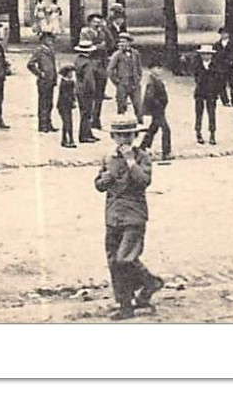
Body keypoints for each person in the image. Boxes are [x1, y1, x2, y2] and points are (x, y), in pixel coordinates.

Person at [93, 113, 165, 320]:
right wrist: (103, 180)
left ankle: (149, 282)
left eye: (128, 135)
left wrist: (131, 161)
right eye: (119, 136)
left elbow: (144, 181)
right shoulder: (108, 158)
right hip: (113, 215)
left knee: (126, 259)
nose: (124, 140)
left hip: (134, 215)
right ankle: (125, 304)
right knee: (114, 261)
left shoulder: (142, 156)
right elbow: (98, 184)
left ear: (134, 136)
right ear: (113, 137)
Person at [192, 43, 227, 145]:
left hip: (211, 93)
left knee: (211, 114)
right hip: (200, 93)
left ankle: (212, 134)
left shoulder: (216, 66)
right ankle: (198, 132)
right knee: (199, 113)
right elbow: (197, 78)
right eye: (203, 54)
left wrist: (224, 98)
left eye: (208, 54)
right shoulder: (197, 66)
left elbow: (220, 82)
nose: (206, 56)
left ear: (211, 55)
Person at [137, 64, 172, 161]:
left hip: (158, 108)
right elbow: (150, 96)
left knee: (153, 128)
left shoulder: (155, 79)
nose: (160, 70)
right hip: (157, 109)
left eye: (160, 68)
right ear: (152, 69)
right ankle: (166, 152)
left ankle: (143, 147)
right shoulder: (152, 81)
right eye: (158, 68)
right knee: (166, 130)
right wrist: (159, 104)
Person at [27, 31, 59, 133]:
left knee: (49, 103)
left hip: (51, 80)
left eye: (52, 40)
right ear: (43, 40)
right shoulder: (39, 51)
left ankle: (49, 123)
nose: (51, 42)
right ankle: (43, 125)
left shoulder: (51, 51)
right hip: (43, 81)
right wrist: (40, 73)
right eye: (48, 40)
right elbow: (30, 64)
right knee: (43, 103)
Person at [74, 33, 102, 143]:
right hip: (86, 91)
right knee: (87, 113)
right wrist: (93, 90)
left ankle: (88, 133)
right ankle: (84, 135)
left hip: (79, 89)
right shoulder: (87, 63)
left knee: (84, 112)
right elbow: (89, 80)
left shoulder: (78, 59)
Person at [110, 33, 143, 116]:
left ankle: (140, 123)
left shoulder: (136, 53)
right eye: (120, 42)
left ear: (129, 43)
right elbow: (110, 69)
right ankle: (121, 124)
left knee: (138, 105)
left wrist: (138, 77)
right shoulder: (117, 55)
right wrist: (117, 81)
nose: (121, 44)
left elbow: (139, 67)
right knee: (121, 105)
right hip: (122, 84)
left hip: (134, 84)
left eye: (124, 42)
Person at [56, 63, 80, 147]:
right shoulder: (65, 83)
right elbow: (66, 96)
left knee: (68, 123)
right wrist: (72, 101)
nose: (72, 75)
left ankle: (68, 140)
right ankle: (66, 140)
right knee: (67, 123)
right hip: (63, 106)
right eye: (70, 73)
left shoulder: (70, 82)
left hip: (67, 106)